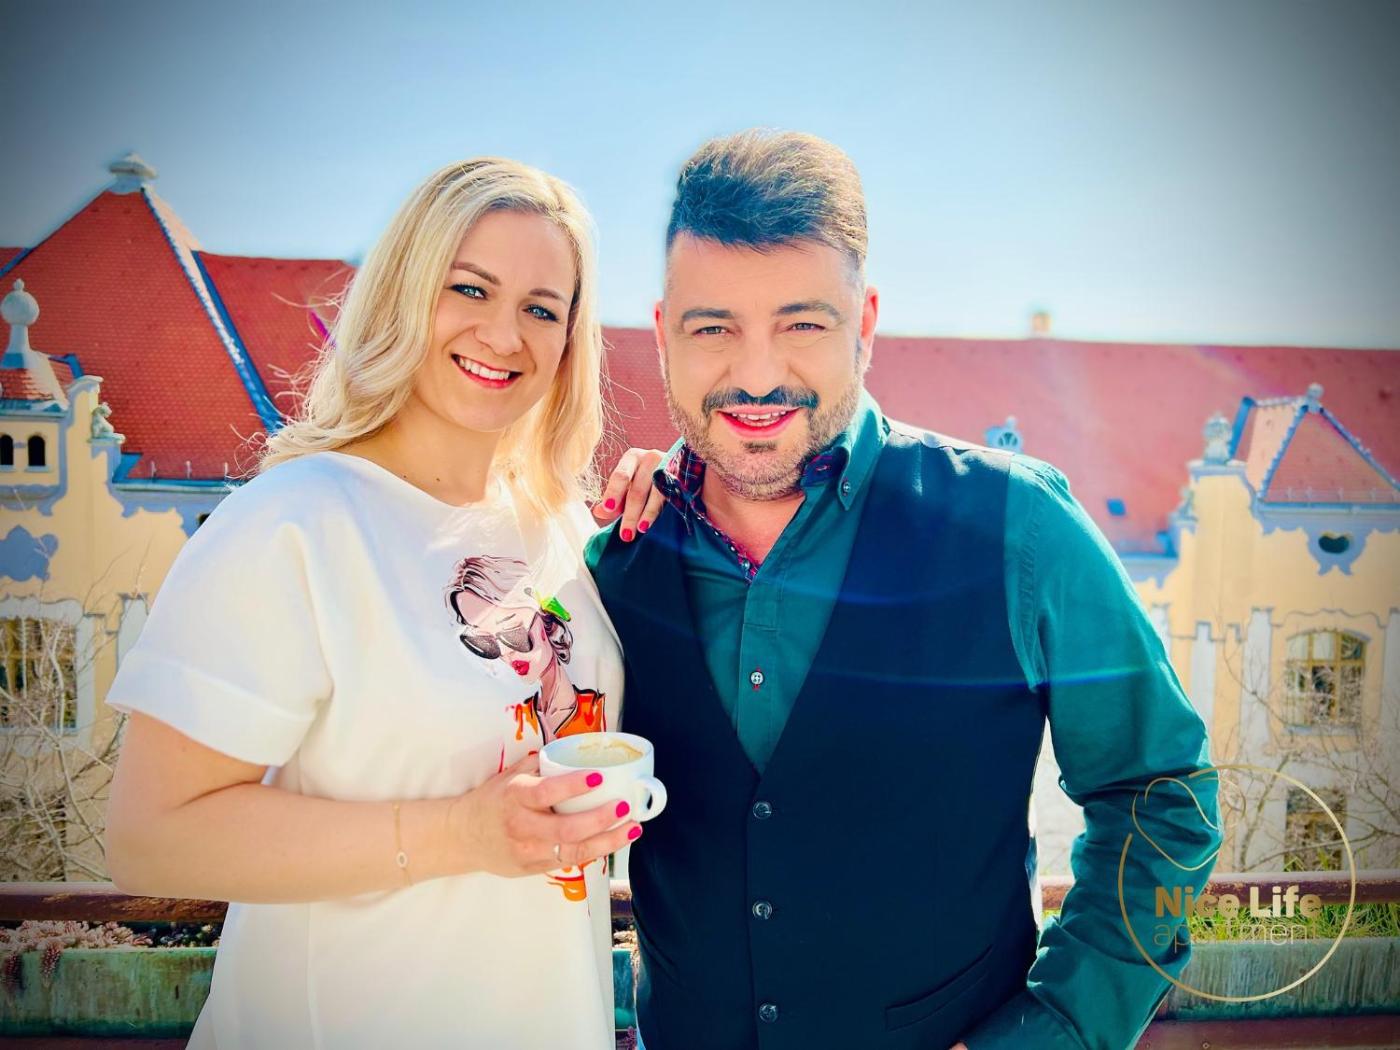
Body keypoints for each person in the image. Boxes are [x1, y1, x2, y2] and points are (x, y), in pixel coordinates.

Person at [585, 130, 1225, 1050]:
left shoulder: (1019, 528)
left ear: (866, 323)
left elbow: (1163, 794)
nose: (757, 375)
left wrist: (1059, 1029)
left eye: (803, 325)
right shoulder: (613, 561)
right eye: (713, 327)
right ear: (663, 334)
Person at [104, 158, 644, 1049]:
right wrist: (457, 834)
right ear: (404, 291)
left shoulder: (559, 529)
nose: (504, 334)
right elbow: (149, 838)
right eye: (469, 288)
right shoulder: (295, 522)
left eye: (542, 309)